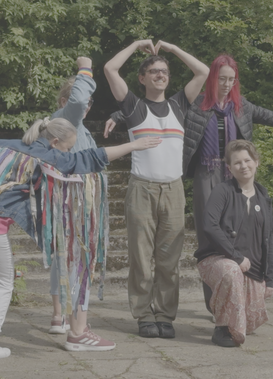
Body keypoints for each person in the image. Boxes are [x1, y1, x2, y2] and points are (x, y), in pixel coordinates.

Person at [0, 117, 161, 360]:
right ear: (55, 142)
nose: (66, 153)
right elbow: (91, 158)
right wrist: (134, 145)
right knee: (1, 281)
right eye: (66, 148)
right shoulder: (46, 155)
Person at [104, 40, 209, 338]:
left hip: (173, 189)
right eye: (153, 71)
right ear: (142, 78)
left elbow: (202, 71)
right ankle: (143, 315)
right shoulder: (134, 106)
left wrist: (173, 49)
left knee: (169, 259)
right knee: (140, 256)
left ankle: (164, 314)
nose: (160, 75)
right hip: (142, 189)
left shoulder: (179, 103)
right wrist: (137, 45)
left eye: (163, 71)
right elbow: (110, 68)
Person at [183, 55, 273, 313]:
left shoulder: (241, 106)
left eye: (231, 80)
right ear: (212, 77)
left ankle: (238, 301)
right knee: (209, 236)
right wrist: (121, 113)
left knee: (241, 237)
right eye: (221, 78)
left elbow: (268, 115)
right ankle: (215, 305)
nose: (226, 84)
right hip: (206, 174)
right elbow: (159, 108)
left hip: (235, 177)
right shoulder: (196, 104)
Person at [194, 140, 273, 347]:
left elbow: (269, 239)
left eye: (247, 160)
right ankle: (221, 329)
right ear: (229, 168)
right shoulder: (222, 190)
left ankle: (235, 320)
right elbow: (210, 225)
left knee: (248, 322)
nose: (243, 165)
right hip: (217, 259)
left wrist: (270, 278)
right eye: (237, 163)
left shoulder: (264, 198)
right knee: (231, 271)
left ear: (256, 162)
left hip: (251, 268)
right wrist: (235, 257)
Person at [48, 57, 97, 336]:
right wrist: (85, 68)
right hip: (70, 200)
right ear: (65, 99)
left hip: (77, 201)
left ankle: (60, 315)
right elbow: (78, 102)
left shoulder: (80, 129)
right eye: (85, 101)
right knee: (69, 255)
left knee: (66, 255)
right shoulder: (67, 118)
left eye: (90, 104)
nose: (86, 107)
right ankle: (66, 318)